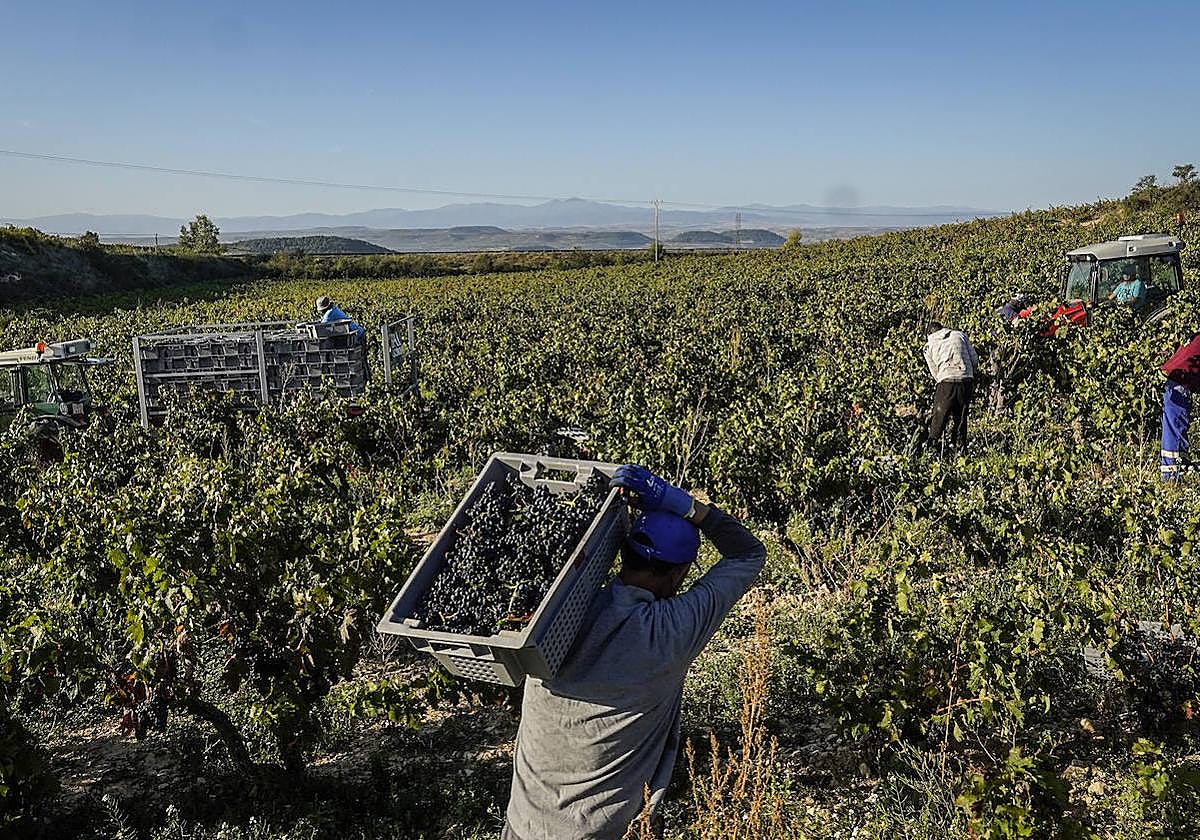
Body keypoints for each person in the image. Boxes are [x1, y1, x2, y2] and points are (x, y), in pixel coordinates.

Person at [503, 465, 765, 840]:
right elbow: (748, 554)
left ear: (621, 551)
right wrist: (689, 506)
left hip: (525, 822)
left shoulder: (553, 612)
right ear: (678, 575)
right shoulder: (672, 629)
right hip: (600, 832)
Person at [923, 321, 978, 453]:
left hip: (946, 380)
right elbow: (974, 359)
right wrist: (968, 373)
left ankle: (932, 450)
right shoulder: (960, 335)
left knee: (939, 418)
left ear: (929, 334)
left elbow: (934, 370)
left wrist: (943, 381)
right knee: (961, 418)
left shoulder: (928, 346)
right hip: (966, 379)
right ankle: (960, 451)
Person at [1160, 334, 1200, 481]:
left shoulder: (1194, 336)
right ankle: (1171, 477)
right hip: (1178, 385)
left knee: (1174, 429)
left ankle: (1176, 471)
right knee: (1175, 431)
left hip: (1172, 379)